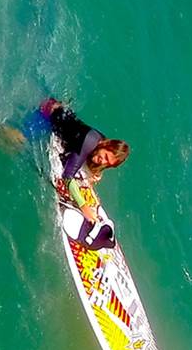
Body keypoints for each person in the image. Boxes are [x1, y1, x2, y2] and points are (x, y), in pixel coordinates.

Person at [30, 98, 129, 249]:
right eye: (105, 157)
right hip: (49, 114)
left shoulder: (101, 147)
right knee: (15, 139)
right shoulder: (90, 141)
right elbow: (67, 176)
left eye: (107, 163)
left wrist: (93, 176)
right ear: (106, 144)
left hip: (64, 119)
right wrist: (84, 207)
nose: (102, 162)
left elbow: (89, 161)